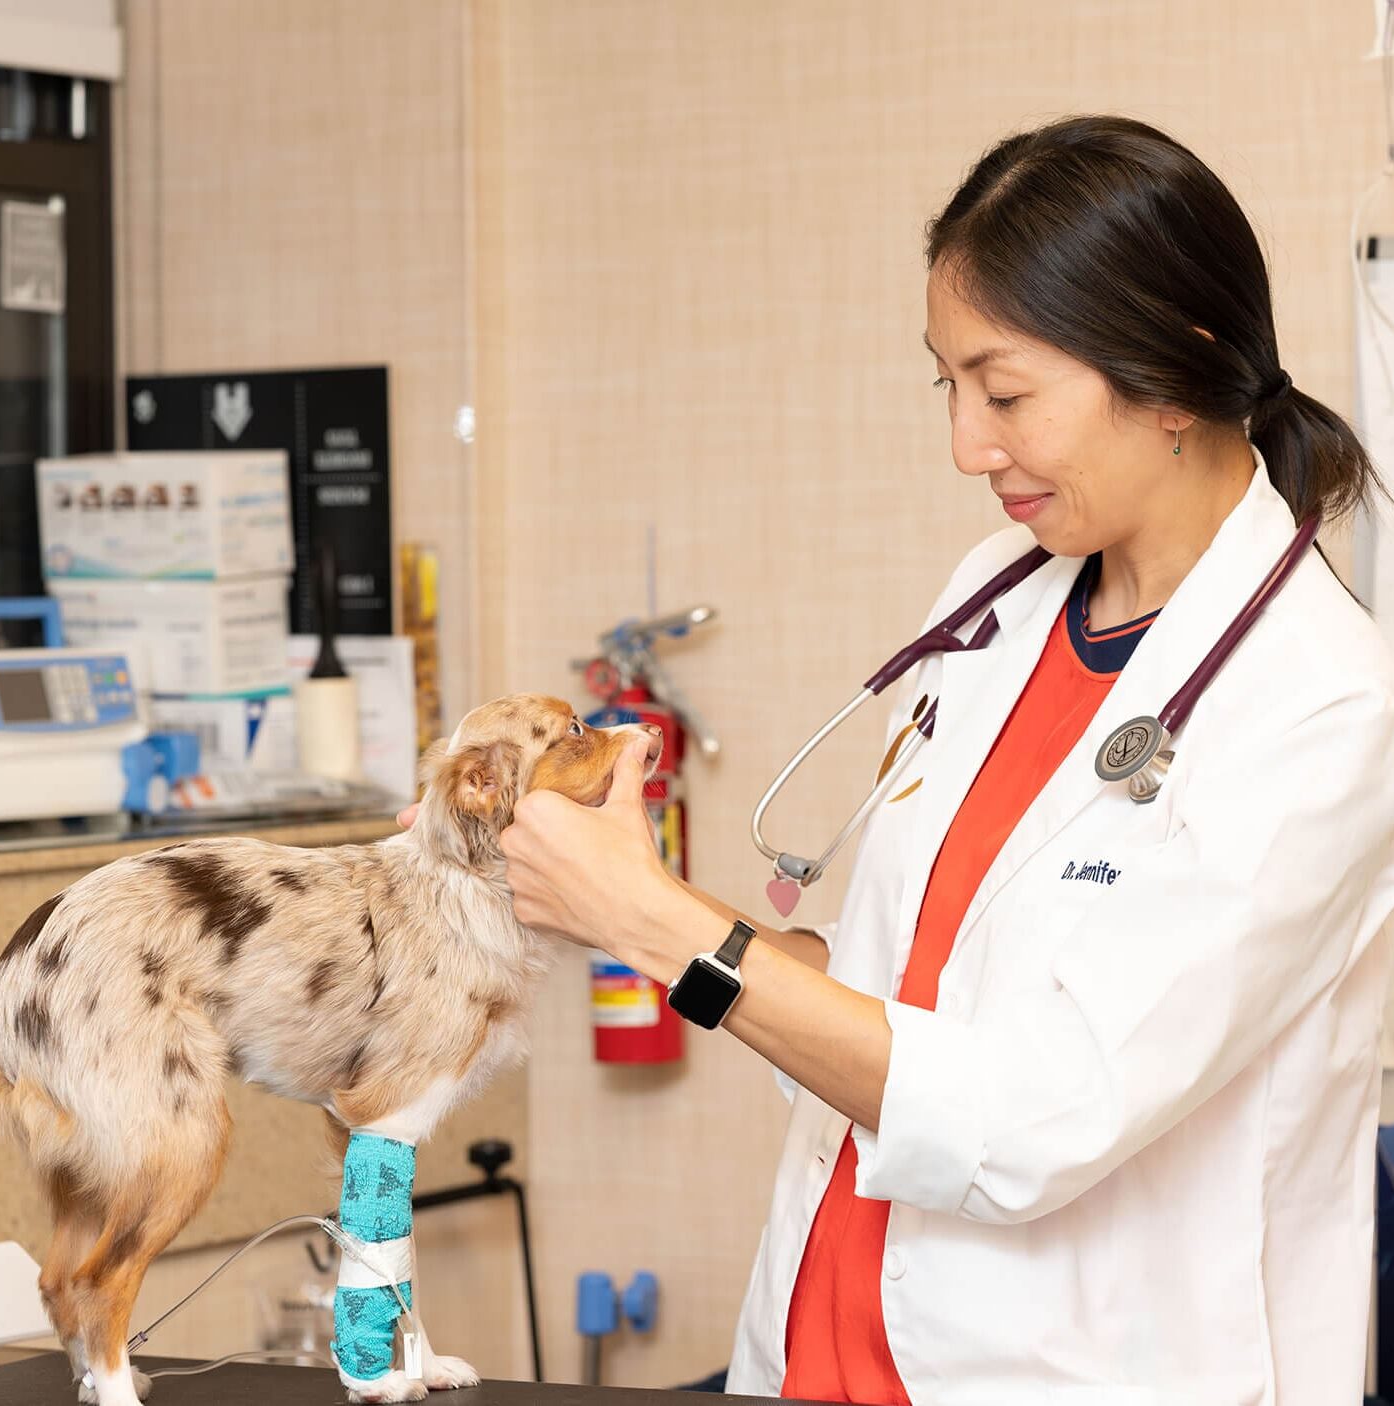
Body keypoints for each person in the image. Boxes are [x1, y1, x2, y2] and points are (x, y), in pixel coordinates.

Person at [438, 117, 1394, 1402]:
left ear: (1176, 371)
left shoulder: (1319, 703)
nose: (966, 445)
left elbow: (1029, 1117)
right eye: (946, 386)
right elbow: (883, 976)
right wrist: (608, 892)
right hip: (820, 1336)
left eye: (1004, 393)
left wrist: (660, 929)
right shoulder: (997, 594)